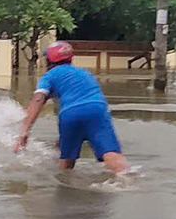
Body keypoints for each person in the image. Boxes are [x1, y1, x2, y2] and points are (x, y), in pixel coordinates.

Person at [14, 41, 130, 175]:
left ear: (48, 60)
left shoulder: (49, 76)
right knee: (111, 153)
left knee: (66, 164)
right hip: (97, 109)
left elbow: (38, 99)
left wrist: (24, 132)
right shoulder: (84, 73)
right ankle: (127, 180)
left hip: (69, 114)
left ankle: (65, 187)